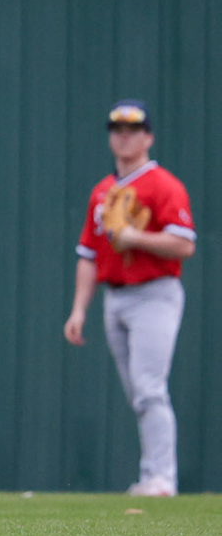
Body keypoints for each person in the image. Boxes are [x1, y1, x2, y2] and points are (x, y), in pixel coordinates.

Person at [64, 100, 197, 497]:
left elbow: (184, 244)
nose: (124, 137)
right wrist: (78, 309)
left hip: (155, 293)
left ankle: (163, 478)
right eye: (117, 130)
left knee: (149, 387)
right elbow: (87, 254)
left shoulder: (163, 185)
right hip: (115, 297)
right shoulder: (103, 192)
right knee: (137, 391)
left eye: (133, 130)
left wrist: (136, 237)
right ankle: (151, 474)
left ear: (148, 137)